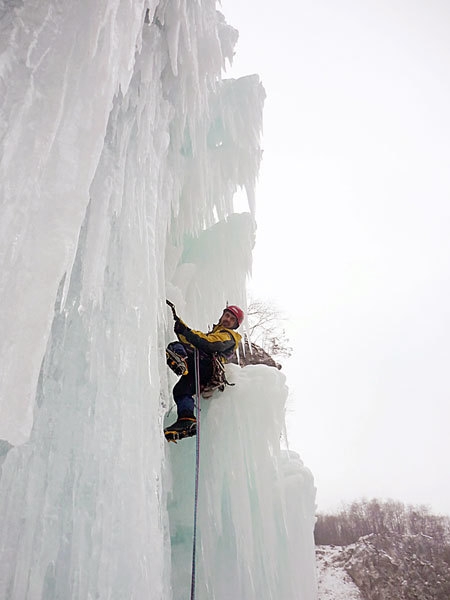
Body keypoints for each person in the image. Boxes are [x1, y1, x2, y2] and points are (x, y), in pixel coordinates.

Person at [164, 305, 244, 439]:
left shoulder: (229, 336)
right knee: (180, 390)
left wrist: (185, 331)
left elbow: (208, 344)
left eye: (232, 319)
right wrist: (180, 327)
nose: (228, 319)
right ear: (222, 315)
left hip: (205, 364)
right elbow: (195, 341)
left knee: (175, 347)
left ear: (235, 325)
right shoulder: (217, 333)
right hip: (202, 371)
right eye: (227, 315)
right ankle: (187, 420)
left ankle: (180, 361)